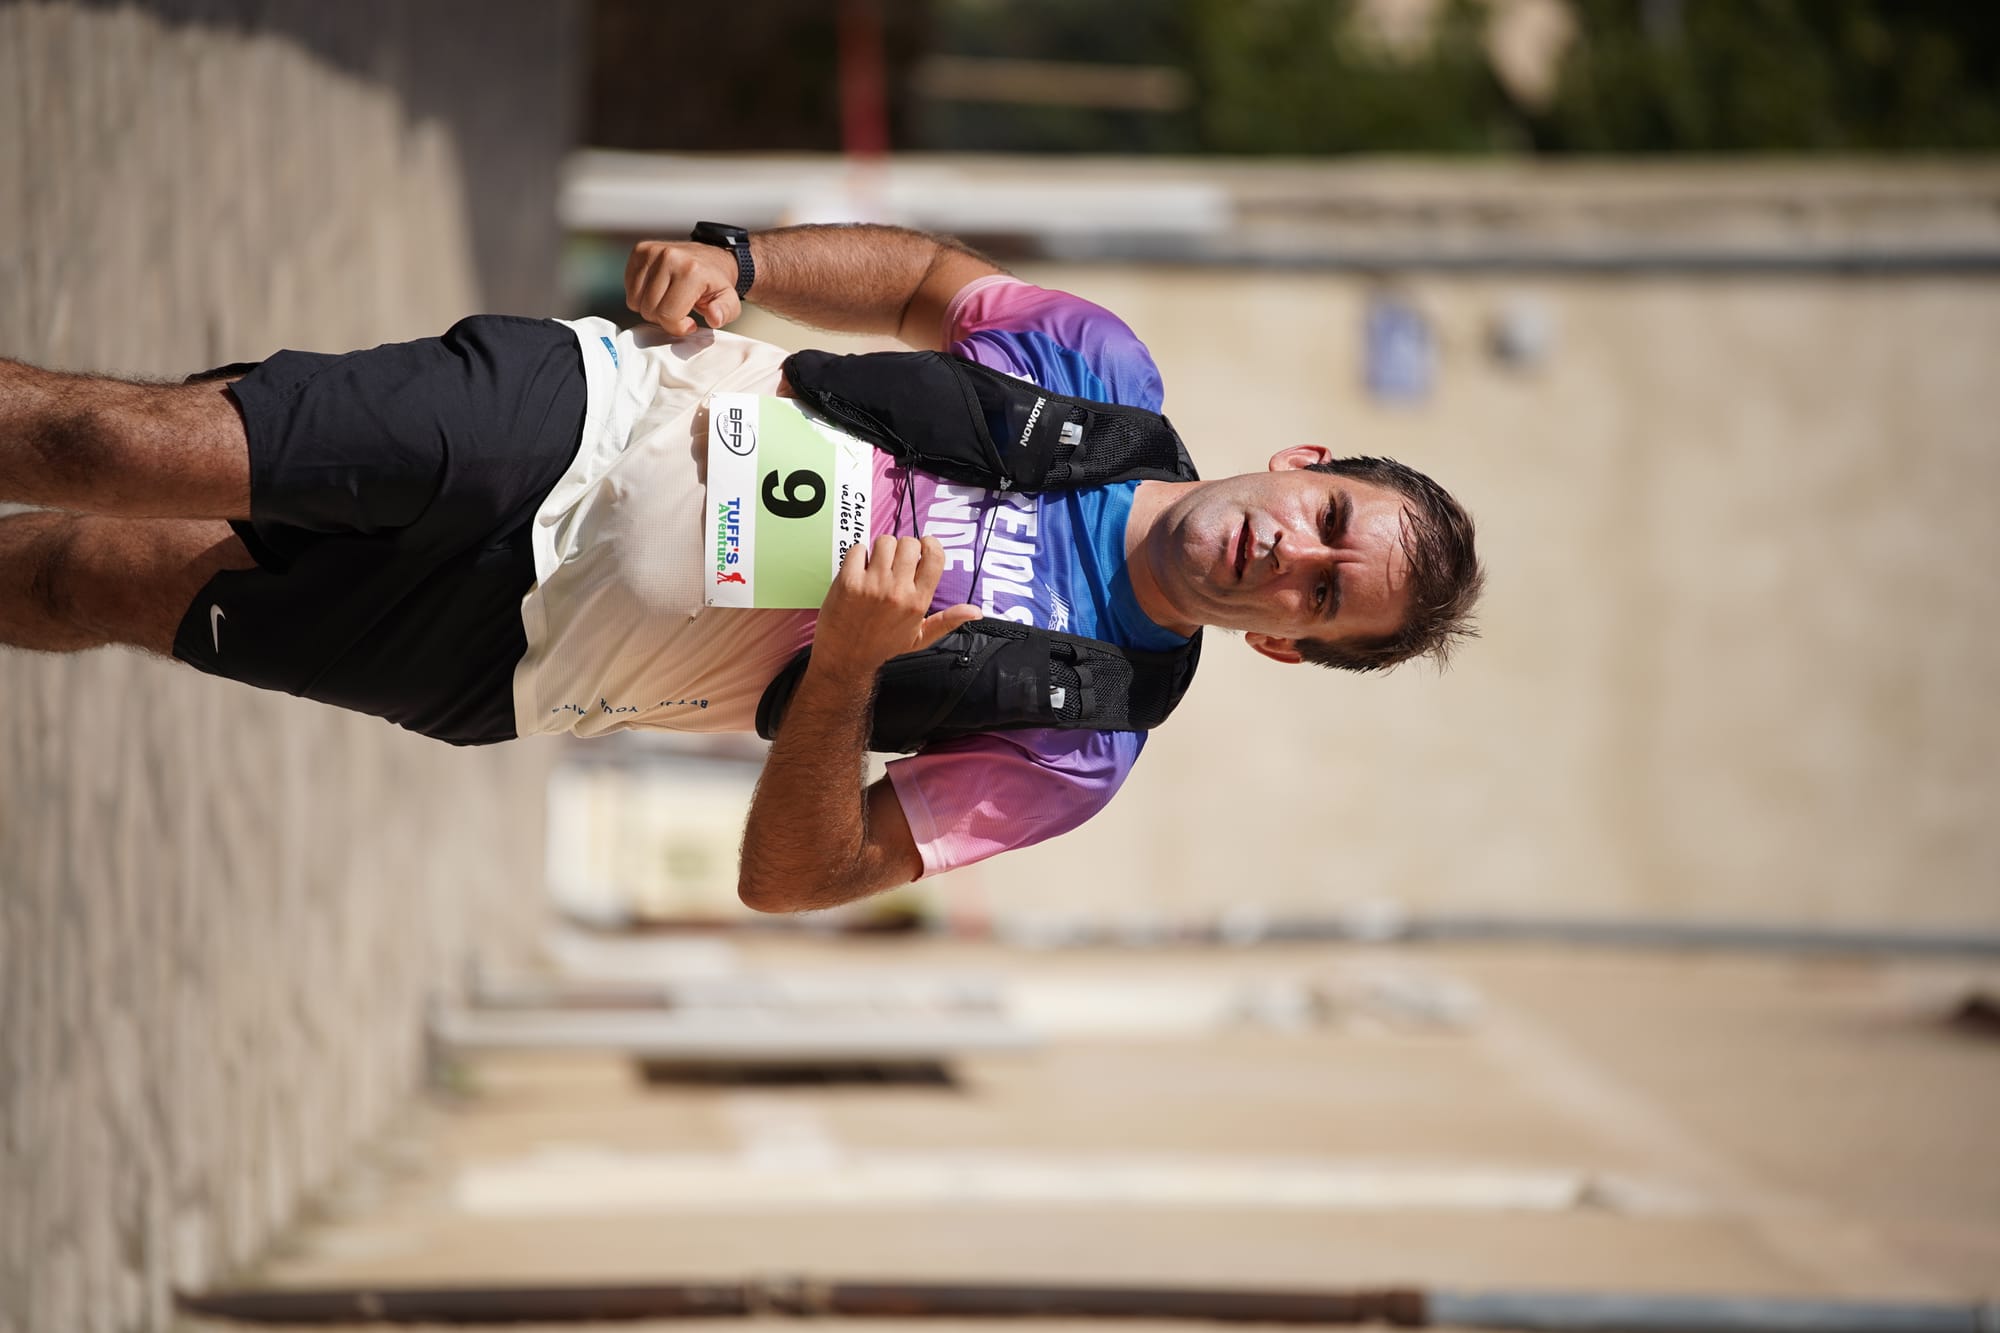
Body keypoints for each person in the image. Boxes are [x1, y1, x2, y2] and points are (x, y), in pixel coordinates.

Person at [0, 223, 1483, 911]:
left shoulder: (1080, 742)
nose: (1290, 557)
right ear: (1304, 461)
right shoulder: (1100, 368)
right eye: (1329, 520)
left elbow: (797, 878)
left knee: (98, 584)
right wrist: (741, 263)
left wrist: (849, 671)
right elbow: (924, 281)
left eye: (1321, 597)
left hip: (517, 659)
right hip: (577, 419)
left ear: (1286, 646)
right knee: (117, 443)